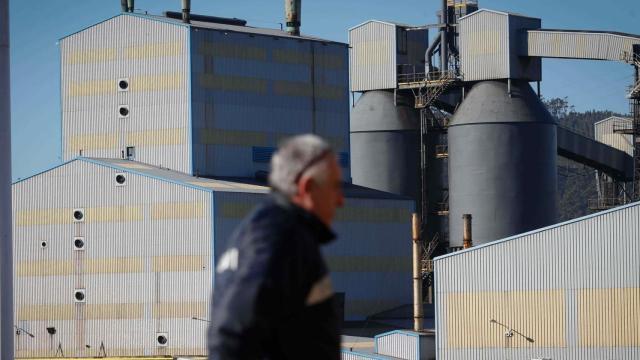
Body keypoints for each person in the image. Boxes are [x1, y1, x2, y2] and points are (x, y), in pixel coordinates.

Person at [208, 134, 344, 360]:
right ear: (307, 187)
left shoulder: (266, 230)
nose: (340, 200)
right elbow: (231, 332)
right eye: (334, 187)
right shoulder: (281, 237)